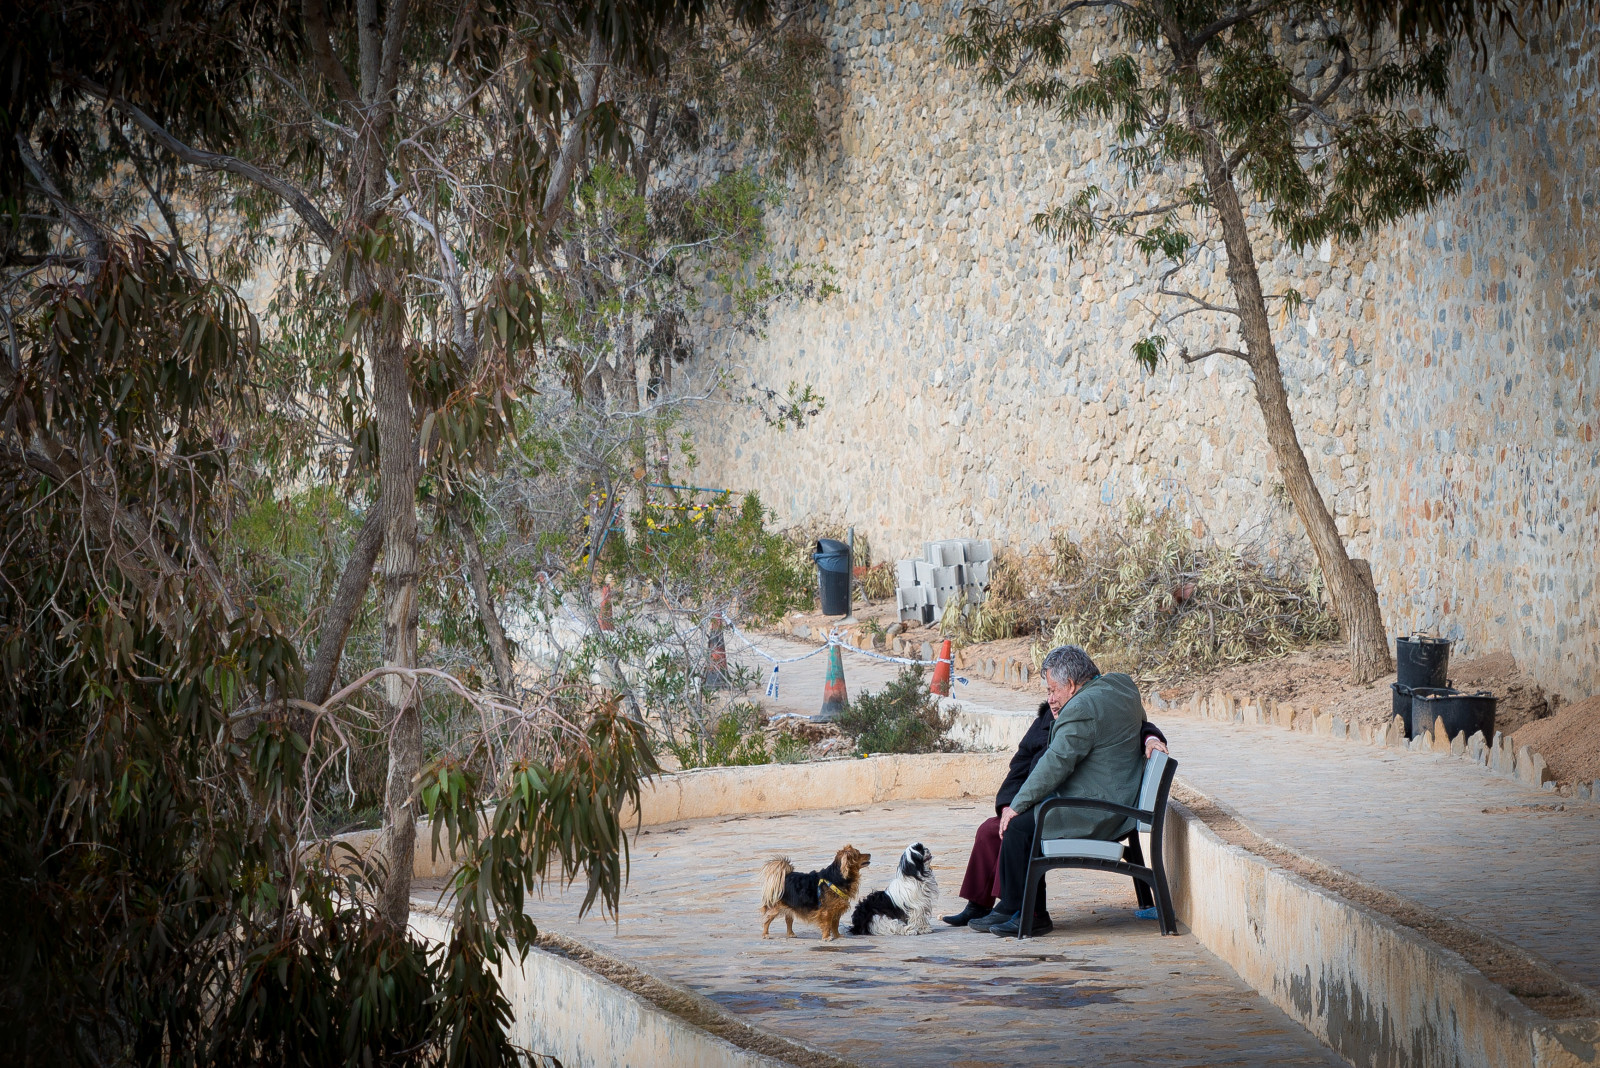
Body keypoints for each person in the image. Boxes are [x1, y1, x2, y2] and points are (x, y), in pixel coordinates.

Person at [943, 651, 1167, 934]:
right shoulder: (1121, 685)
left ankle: (1026, 913)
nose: (1049, 697)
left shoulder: (1081, 708)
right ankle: (1004, 907)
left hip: (1098, 810)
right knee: (1004, 825)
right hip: (1109, 802)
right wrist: (1010, 804)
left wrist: (1018, 806)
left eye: (1052, 689)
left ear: (1071, 684)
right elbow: (1027, 761)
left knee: (1020, 826)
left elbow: (1056, 763)